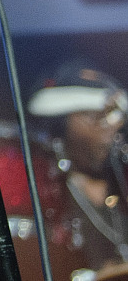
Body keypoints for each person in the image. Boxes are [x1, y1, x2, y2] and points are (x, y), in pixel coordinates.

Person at [29, 60, 128, 268]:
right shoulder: (50, 196)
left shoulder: (121, 185)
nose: (113, 127)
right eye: (97, 117)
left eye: (117, 117)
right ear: (60, 127)